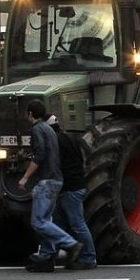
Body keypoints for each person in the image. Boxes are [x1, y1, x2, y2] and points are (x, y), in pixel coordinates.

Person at [18, 100, 82, 273]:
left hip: (46, 180)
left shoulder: (37, 129)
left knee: (38, 222)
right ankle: (46, 257)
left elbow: (39, 155)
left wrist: (25, 177)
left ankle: (70, 244)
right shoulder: (49, 129)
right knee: (45, 220)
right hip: (56, 179)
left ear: (30, 114)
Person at [48, 115, 97, 270]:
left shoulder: (54, 142)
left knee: (77, 224)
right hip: (74, 186)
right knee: (58, 223)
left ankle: (89, 257)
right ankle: (51, 254)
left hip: (68, 188)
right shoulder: (70, 139)